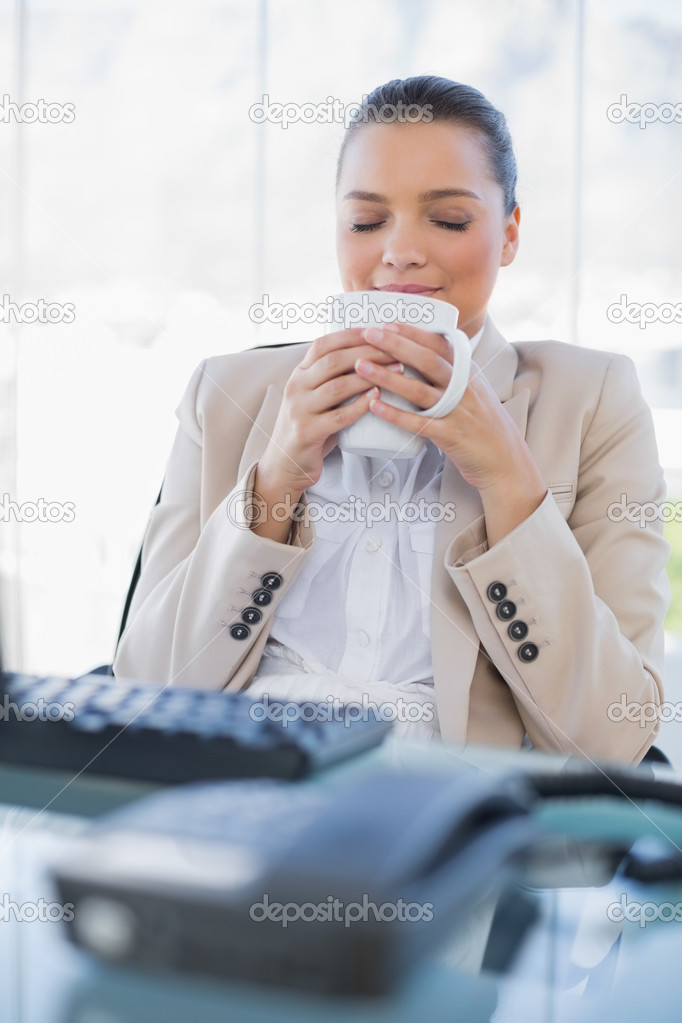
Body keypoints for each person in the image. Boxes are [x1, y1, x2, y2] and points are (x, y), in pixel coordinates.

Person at [113, 75, 670, 764]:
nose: (400, 252)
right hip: (232, 795)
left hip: (440, 822)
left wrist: (509, 482)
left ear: (509, 235)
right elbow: (142, 692)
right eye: (367, 221)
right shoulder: (226, 393)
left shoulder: (590, 399)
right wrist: (277, 473)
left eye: (449, 219)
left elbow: (613, 738)